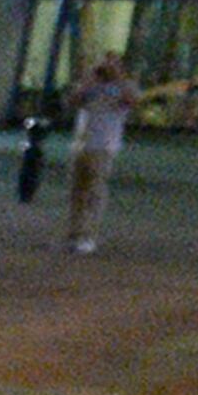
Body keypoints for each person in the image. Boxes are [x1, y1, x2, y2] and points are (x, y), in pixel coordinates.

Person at [62, 49, 141, 255]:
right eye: (105, 62)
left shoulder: (125, 86)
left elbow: (132, 101)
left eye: (112, 63)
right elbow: (72, 101)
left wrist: (118, 79)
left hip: (104, 146)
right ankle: (74, 233)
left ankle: (89, 236)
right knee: (76, 192)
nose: (107, 67)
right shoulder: (90, 85)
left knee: (94, 192)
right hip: (81, 144)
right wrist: (89, 80)